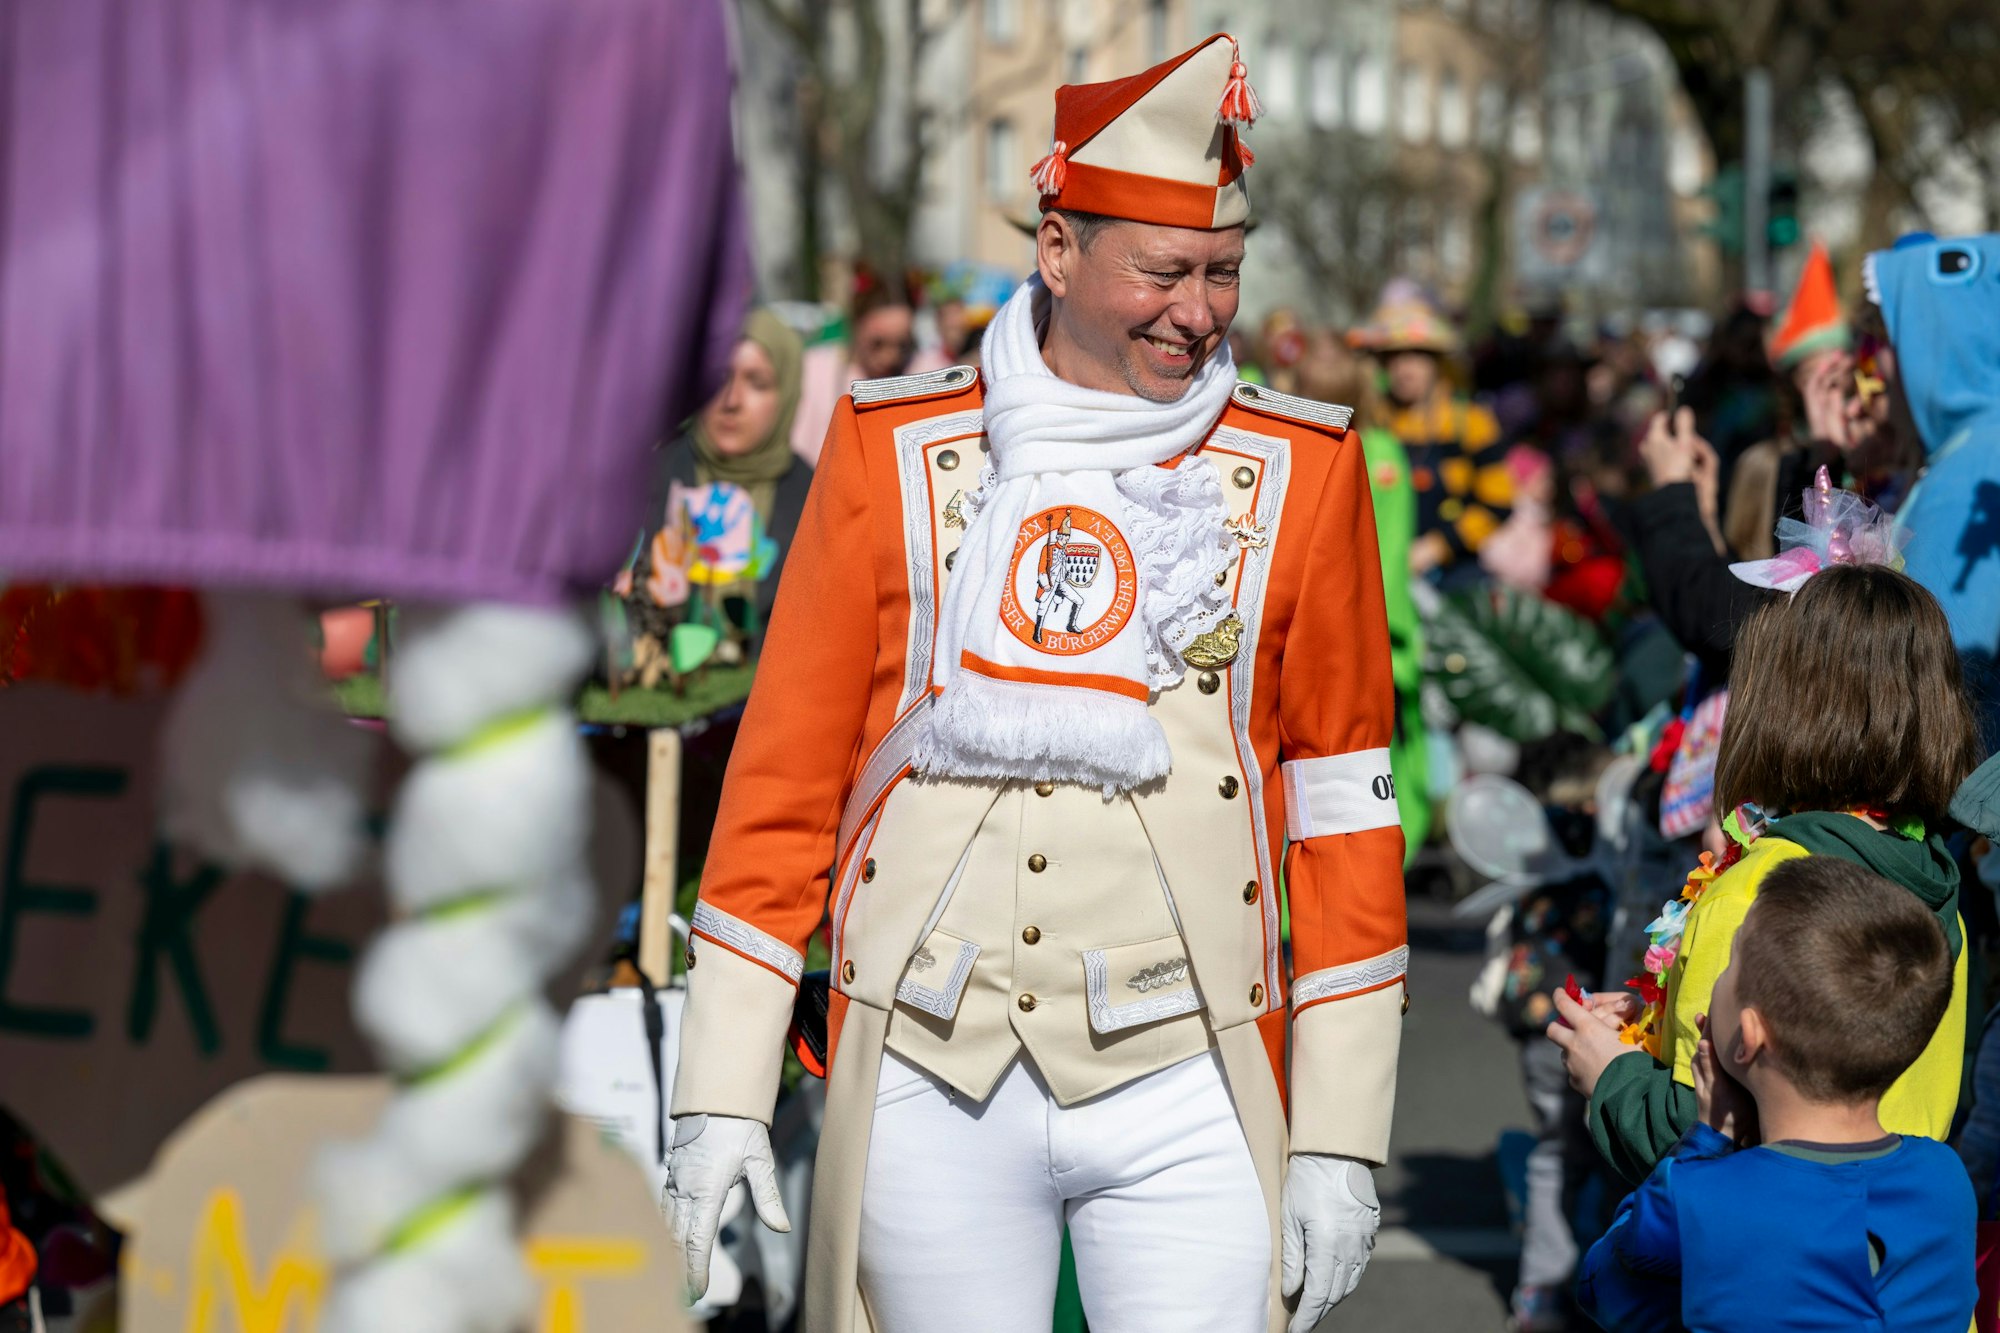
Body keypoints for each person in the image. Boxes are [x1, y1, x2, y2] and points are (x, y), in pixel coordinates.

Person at [663, 34, 1408, 1333]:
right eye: (1162, 271)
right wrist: (722, 1085)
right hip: (928, 1065)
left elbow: (1342, 807)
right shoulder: (890, 447)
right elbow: (786, 771)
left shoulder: (1306, 470)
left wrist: (1341, 1133)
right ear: (1057, 250)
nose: (1198, 311)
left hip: (1191, 1073)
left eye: (1223, 272)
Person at [1550, 565, 1982, 1186]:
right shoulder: (1931, 882)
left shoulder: (1755, 894)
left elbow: (1695, 1138)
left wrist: (1609, 1072)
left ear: (1771, 704)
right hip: (1895, 1224)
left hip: (1772, 1232)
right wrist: (1652, 1025)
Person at [1576, 856, 1977, 1333]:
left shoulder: (1703, 1201)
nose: (1718, 979)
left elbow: (1604, 1287)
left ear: (1748, 1038)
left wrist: (1707, 1138)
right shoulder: (1945, 1179)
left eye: (1730, 966)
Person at [646, 308, 814, 642]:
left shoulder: (817, 499)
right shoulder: (648, 478)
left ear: (787, 392)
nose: (731, 400)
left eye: (757, 383)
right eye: (720, 377)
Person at [1351, 298, 1510, 583]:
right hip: (1380, 568)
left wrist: (1438, 547)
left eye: (1416, 356)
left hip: (1453, 572)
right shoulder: (1372, 421)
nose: (1404, 369)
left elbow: (1499, 504)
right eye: (1394, 357)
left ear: (1437, 363)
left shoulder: (1470, 421)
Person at [792, 283, 922, 466]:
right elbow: (800, 444)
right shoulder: (817, 368)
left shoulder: (917, 369)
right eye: (877, 344)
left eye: (902, 345)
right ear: (856, 325)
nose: (890, 356)